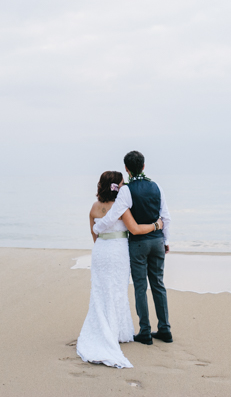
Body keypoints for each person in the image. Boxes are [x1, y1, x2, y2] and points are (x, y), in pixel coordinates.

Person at [76, 171, 163, 368]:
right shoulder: (121, 208)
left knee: (100, 292)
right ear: (117, 187)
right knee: (117, 291)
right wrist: (157, 225)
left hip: (100, 253)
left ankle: (104, 329)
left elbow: (94, 234)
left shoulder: (94, 208)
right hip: (118, 253)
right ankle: (115, 333)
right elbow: (136, 229)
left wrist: (102, 249)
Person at [91, 151, 172, 345]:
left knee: (140, 287)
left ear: (126, 169)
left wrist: (97, 227)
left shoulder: (126, 191)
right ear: (143, 166)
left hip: (138, 244)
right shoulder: (156, 186)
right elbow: (166, 217)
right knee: (158, 285)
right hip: (157, 241)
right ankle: (165, 330)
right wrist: (166, 240)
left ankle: (145, 331)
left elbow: (111, 217)